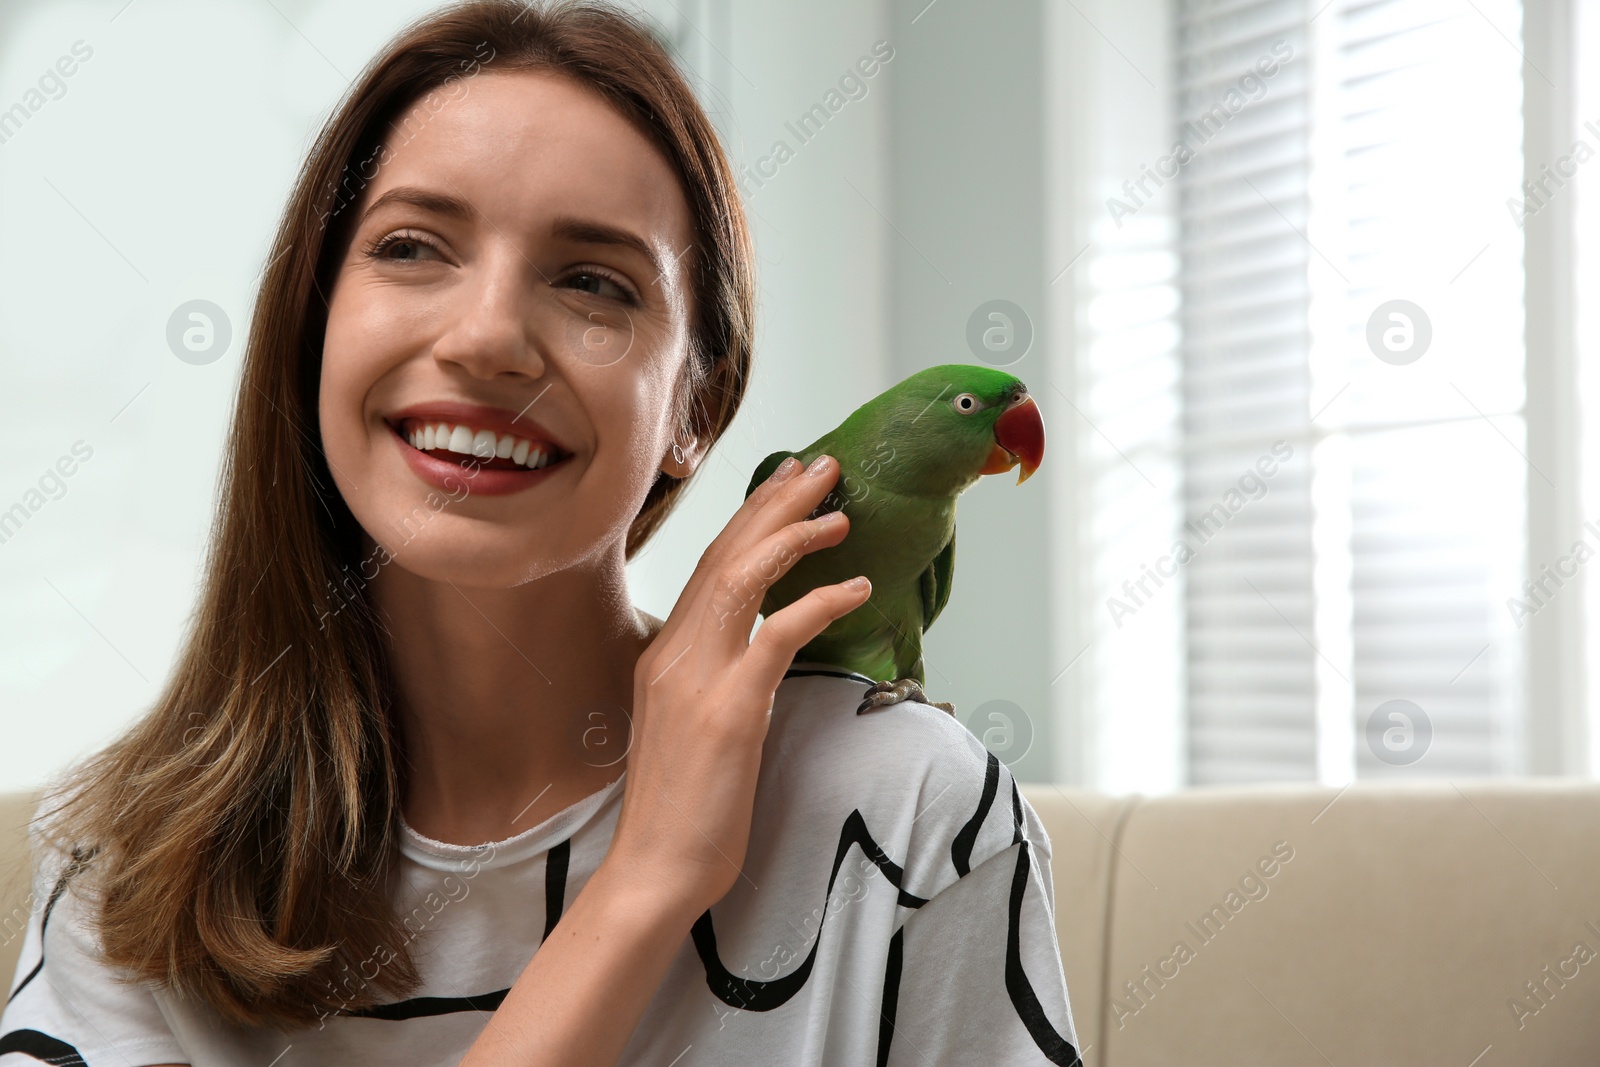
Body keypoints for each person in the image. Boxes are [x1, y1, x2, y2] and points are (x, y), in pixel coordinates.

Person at [0, 1, 1080, 1063]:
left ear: (696, 410)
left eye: (591, 281)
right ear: (313, 323)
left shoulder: (905, 806)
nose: (487, 339)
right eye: (414, 247)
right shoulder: (118, 853)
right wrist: (645, 879)